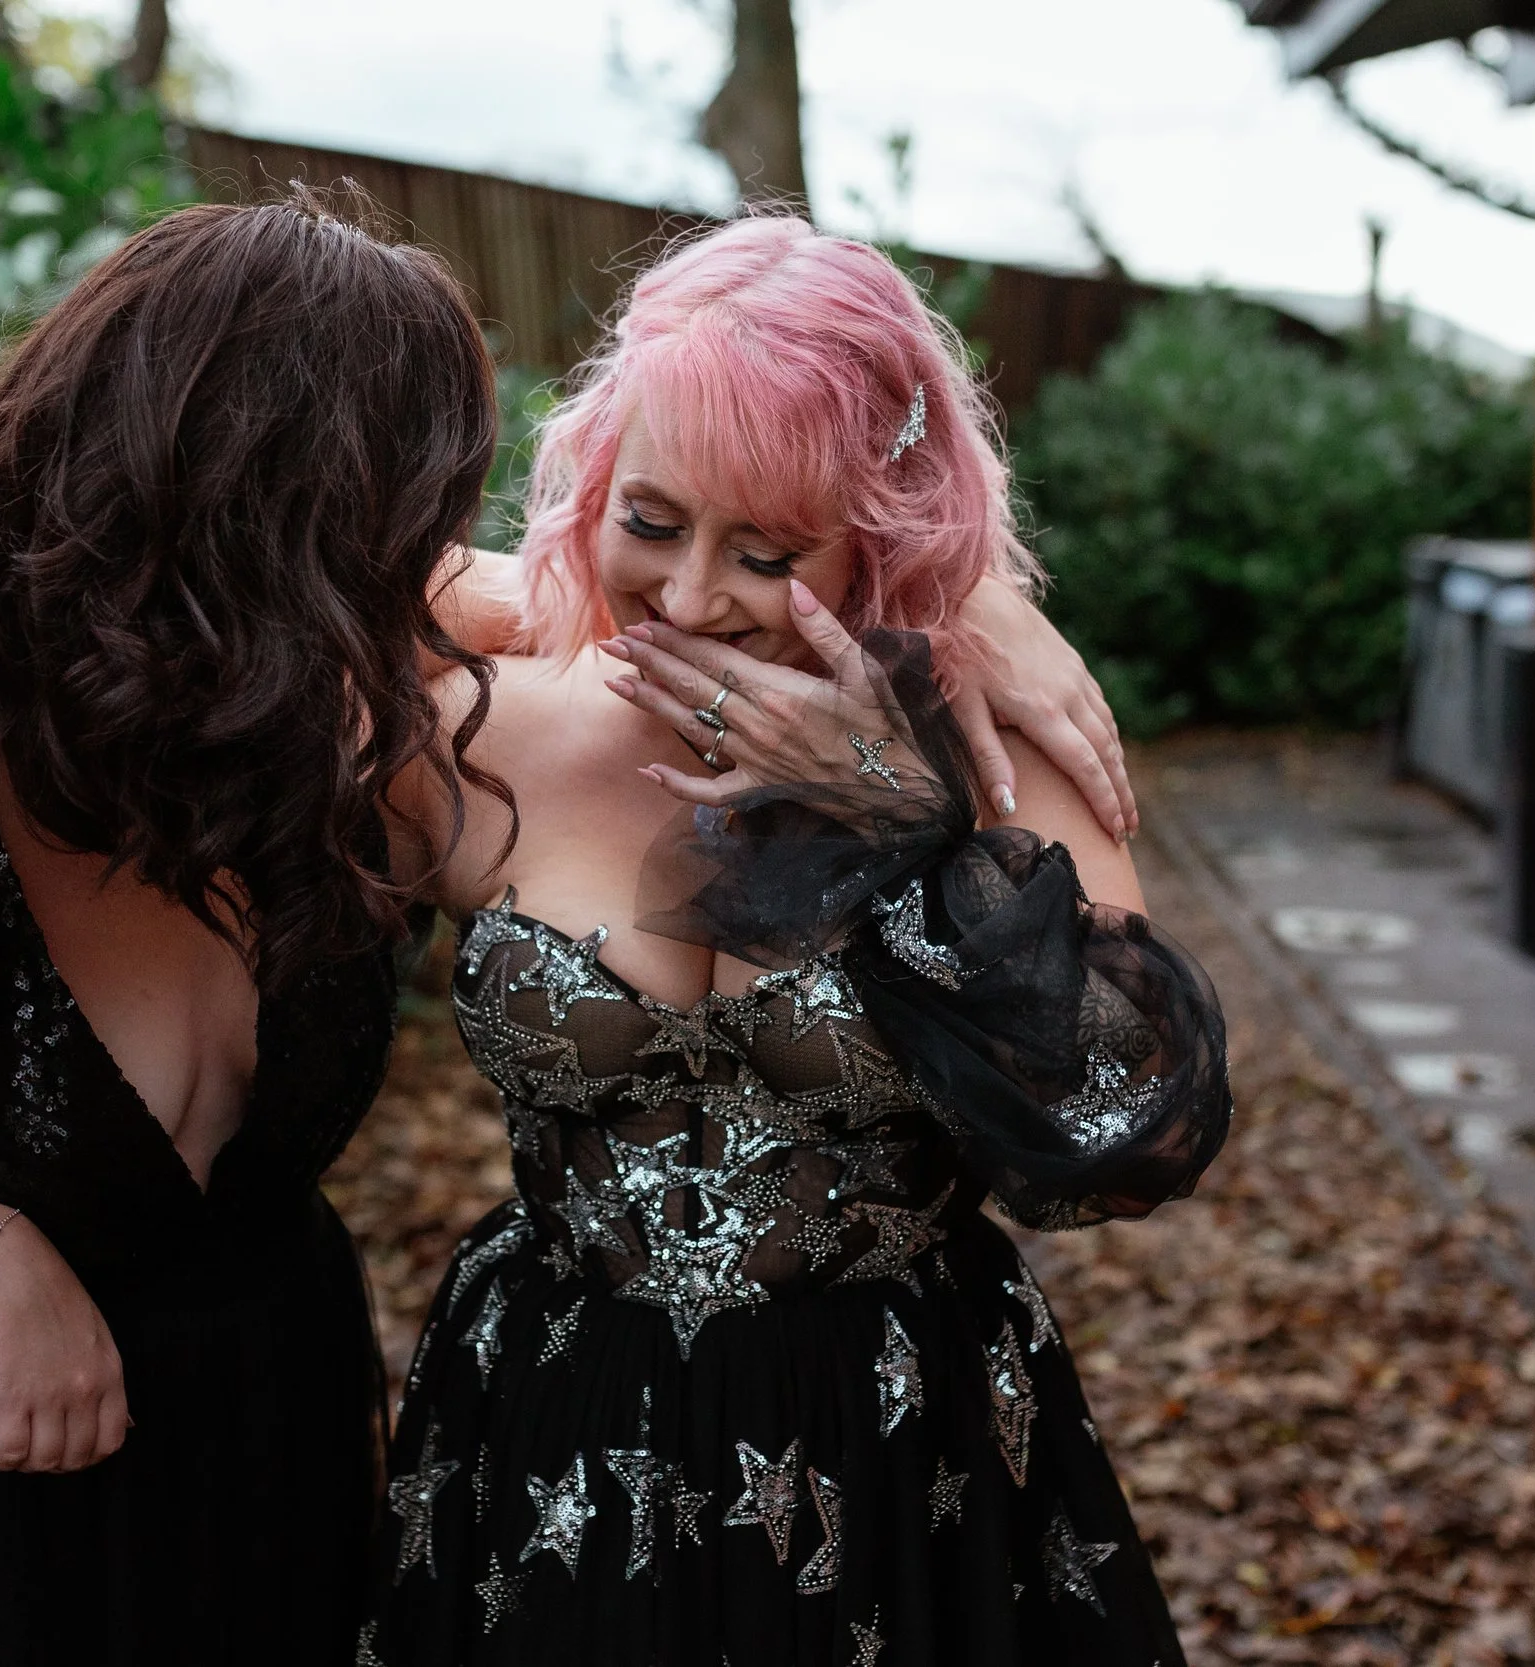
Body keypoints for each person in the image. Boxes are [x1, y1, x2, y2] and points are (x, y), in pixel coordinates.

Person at [0, 193, 1143, 1667]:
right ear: (258, 528)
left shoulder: (322, 708)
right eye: (398, 531)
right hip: (3, 1489)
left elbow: (1113, 1112)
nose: (426, 571)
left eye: (421, 535)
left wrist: (952, 610)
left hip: (373, 1454)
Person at [365, 215, 1229, 1665]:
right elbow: (240, 571)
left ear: (882, 530)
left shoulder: (1004, 750)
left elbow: (1128, 1114)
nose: (694, 597)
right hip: (551, 1434)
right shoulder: (482, 722)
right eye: (650, 520)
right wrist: (555, 596)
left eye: (766, 551)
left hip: (899, 1449)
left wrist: (898, 809)